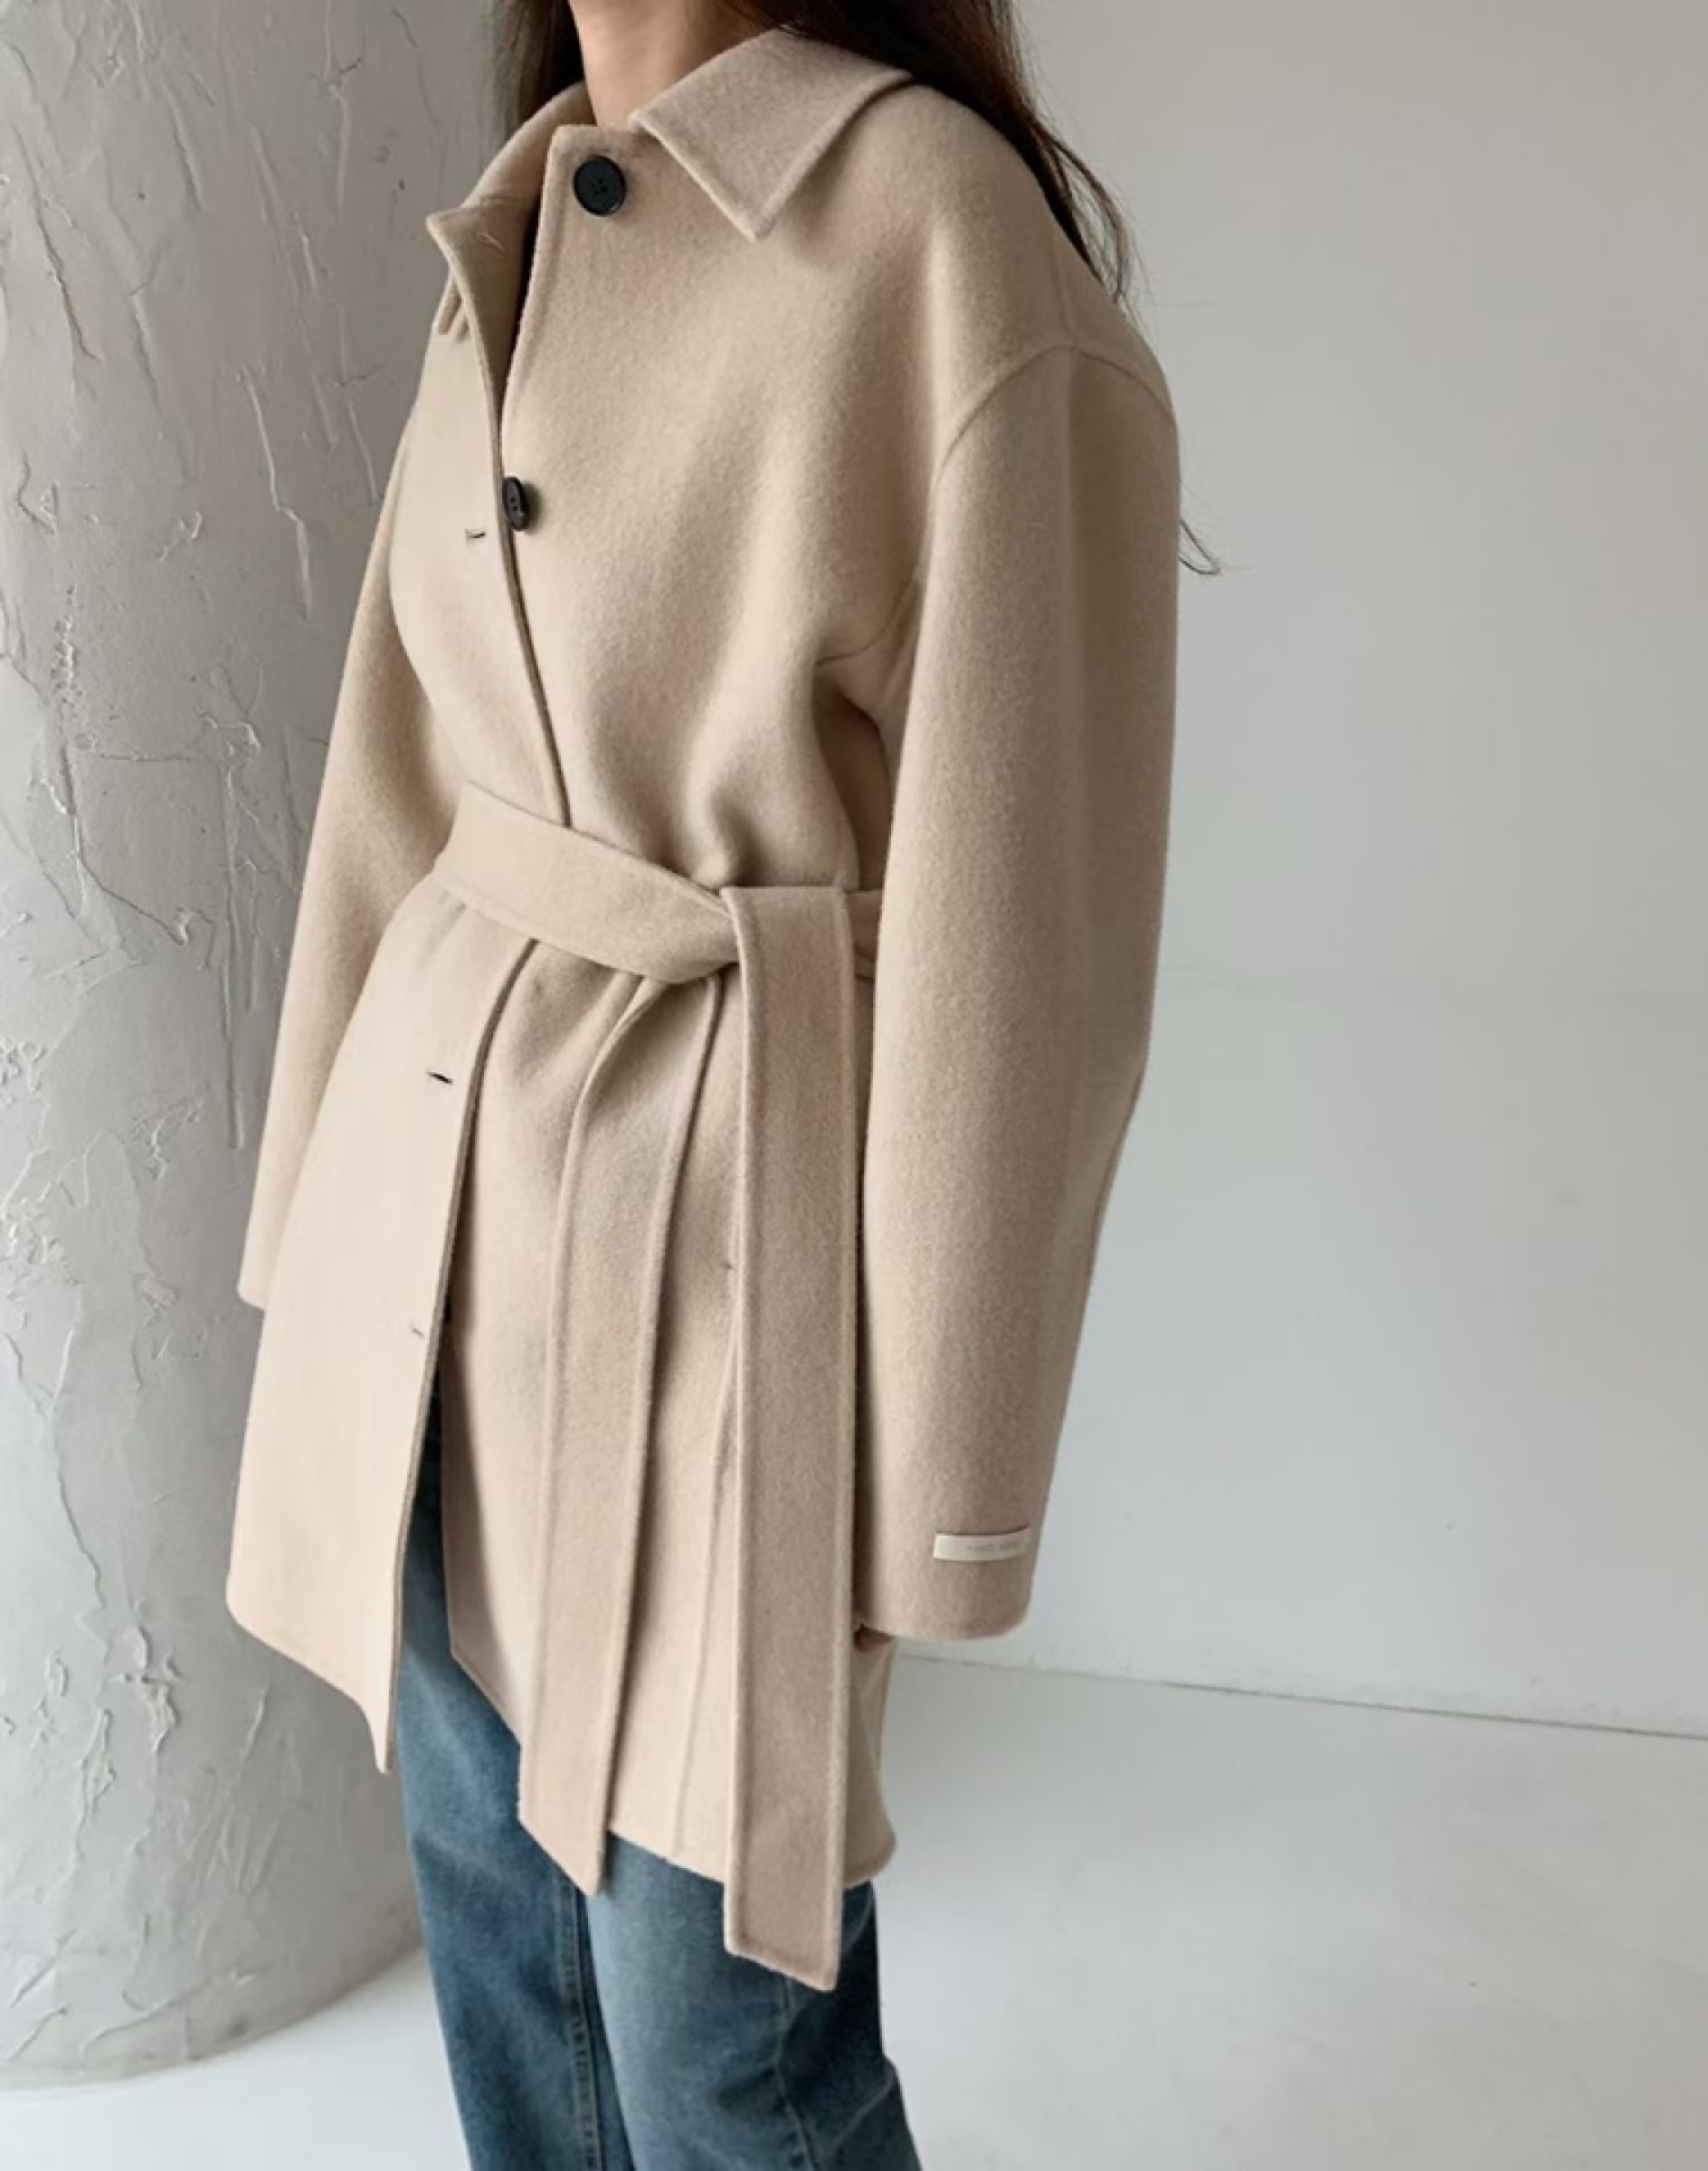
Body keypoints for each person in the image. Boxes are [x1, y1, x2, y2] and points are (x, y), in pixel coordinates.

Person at [226, 3, 1186, 2164]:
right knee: (501, 1940)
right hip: (440, 1211)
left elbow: (1024, 953)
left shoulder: (938, 242)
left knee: (718, 2040)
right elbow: (401, 766)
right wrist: (318, 1220)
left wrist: (942, 1480)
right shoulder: (533, 209)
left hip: (725, 1249)